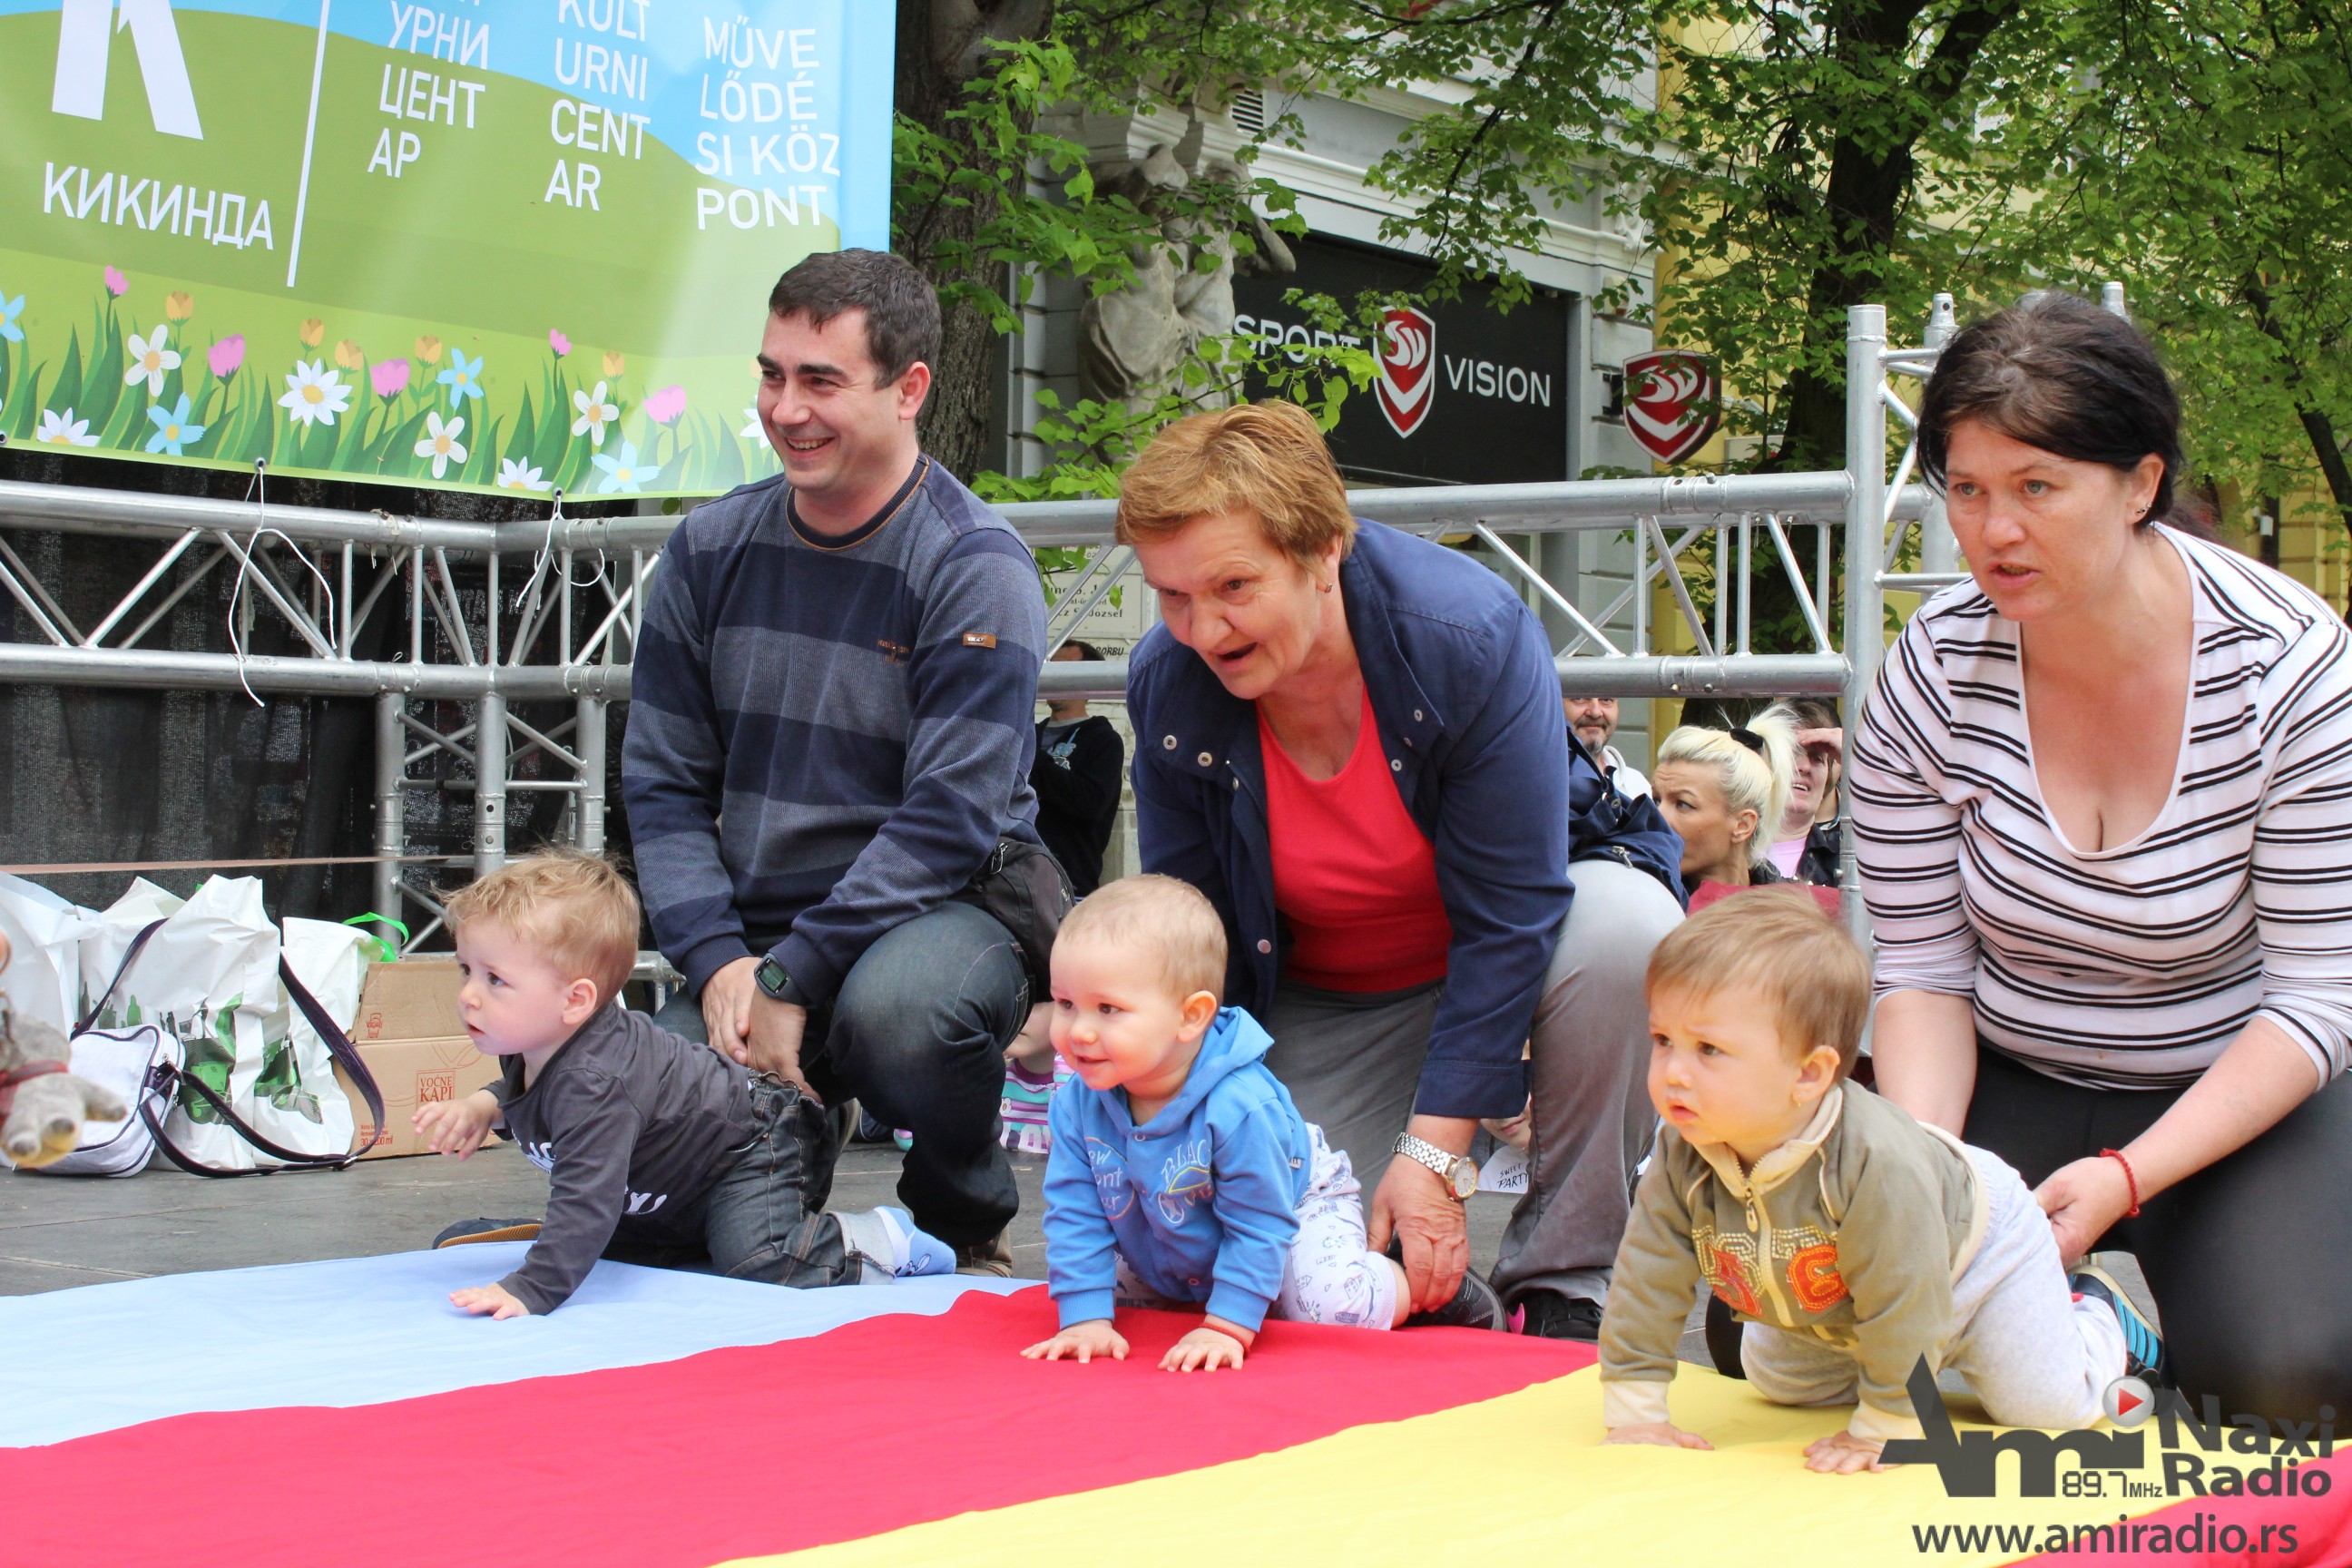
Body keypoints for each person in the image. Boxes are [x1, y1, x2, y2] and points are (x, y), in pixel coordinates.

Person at [1853, 291, 2352, 1422]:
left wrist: (2131, 1176)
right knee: (1803, 1315)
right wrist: (1932, 1181)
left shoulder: (2294, 669)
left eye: (2037, 488)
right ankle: (2070, 1319)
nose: (1995, 532)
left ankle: (2101, 1323)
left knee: (2294, 1378)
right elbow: (1922, 974)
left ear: (2140, 484)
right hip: (2007, 1065)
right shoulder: (1930, 673)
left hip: (2228, 1079)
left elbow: (2320, 998)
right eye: (1968, 492)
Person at [1118, 400, 1685, 1342]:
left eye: (1232, 587)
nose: (1202, 630)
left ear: (1324, 549)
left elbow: (1512, 918)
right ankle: (1439, 1289)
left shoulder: (1465, 635)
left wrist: (1435, 1157)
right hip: (1315, 1001)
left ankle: (1568, 1279)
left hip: (1514, 965)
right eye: (1171, 596)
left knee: (1627, 927)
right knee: (1279, 1272)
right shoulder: (1169, 680)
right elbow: (1191, 933)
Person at [622, 249, 1047, 1275]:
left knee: (903, 1017)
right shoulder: (707, 550)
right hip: (758, 925)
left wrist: (788, 974)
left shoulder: (973, 565)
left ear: (909, 391)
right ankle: (786, 1164)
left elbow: (949, 821)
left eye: (821, 380)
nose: (786, 409)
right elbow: (662, 787)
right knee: (645, 1130)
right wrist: (720, 958)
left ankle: (962, 1215)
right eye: (773, 374)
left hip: (937, 915)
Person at [1601, 891, 2151, 1472]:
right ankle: (1901, 1365)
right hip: (1831, 1298)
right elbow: (1649, 1273)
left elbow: (1905, 1292)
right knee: (1779, 1385)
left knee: (2046, 1408)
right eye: (1664, 1041)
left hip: (1974, 1261)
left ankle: (2096, 1315)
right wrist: (1637, 1411)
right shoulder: (1683, 1148)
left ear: (1808, 1075)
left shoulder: (1873, 1163)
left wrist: (1887, 1424)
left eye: (1709, 1048)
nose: (1674, 1073)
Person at [415, 851, 956, 1317]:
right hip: (681, 1173)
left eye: (495, 980)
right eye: (466, 969)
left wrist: (531, 1290)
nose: (468, 995)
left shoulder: (595, 1080)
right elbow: (526, 1093)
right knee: (631, 1253)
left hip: (755, 1142)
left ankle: (878, 1238)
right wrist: (484, 1107)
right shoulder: (540, 1040)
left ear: (575, 1001)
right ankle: (612, 1237)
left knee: (760, 1262)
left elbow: (586, 1198)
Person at [1023, 876, 1502, 1371]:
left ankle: (1408, 1286)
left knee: (1329, 1308)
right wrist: (1084, 1318)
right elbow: (1075, 1211)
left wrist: (1225, 1326)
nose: (1078, 1030)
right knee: (1108, 1295)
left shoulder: (1241, 1106)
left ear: (1191, 1017)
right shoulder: (1079, 1101)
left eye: (1108, 1009)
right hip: (1168, 1231)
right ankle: (1233, 1289)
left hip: (1291, 1210)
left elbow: (1260, 1221)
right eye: (1065, 1004)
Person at [1650, 714, 1837, 915]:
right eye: (1656, 800)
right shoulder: (1646, 904)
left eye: (1683, 804)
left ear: (1743, 825)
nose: (1657, 817)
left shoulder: (1793, 914)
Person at [1030, 640, 1126, 896]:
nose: (1054, 677)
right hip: (1015, 877)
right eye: (1051, 669)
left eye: (1065, 670)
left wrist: (1034, 761)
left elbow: (1090, 804)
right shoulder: (1030, 734)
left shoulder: (1103, 740)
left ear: (1086, 680)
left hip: (1069, 883)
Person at [1757, 698, 1843, 887]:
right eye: (1792, 752)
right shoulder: (1724, 849)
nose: (1804, 766)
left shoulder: (1849, 860)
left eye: (1817, 758)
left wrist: (1857, 757)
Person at [1566, 695, 1650, 799]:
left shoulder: (1637, 787)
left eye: (1606, 699)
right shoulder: (1544, 782)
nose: (1595, 713)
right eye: (1580, 698)